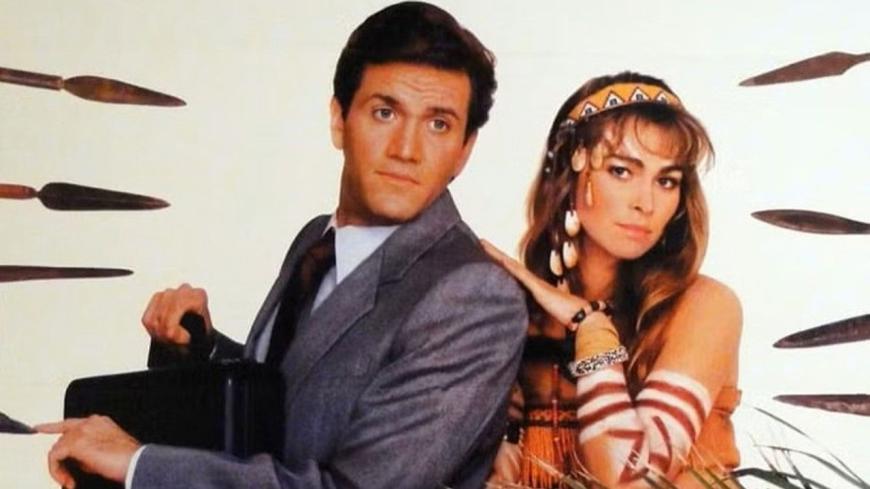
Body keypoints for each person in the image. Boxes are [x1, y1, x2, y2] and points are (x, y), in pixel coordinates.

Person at [37, 3, 528, 489]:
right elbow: (295, 401)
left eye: (438, 124)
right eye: (385, 112)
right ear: (339, 120)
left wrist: (139, 465)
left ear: (464, 151)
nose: (406, 149)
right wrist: (202, 350)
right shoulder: (317, 242)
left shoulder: (475, 296)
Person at [483, 72, 742, 488]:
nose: (646, 203)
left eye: (667, 181)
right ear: (570, 172)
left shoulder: (705, 306)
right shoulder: (512, 312)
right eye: (622, 171)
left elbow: (632, 479)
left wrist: (591, 328)